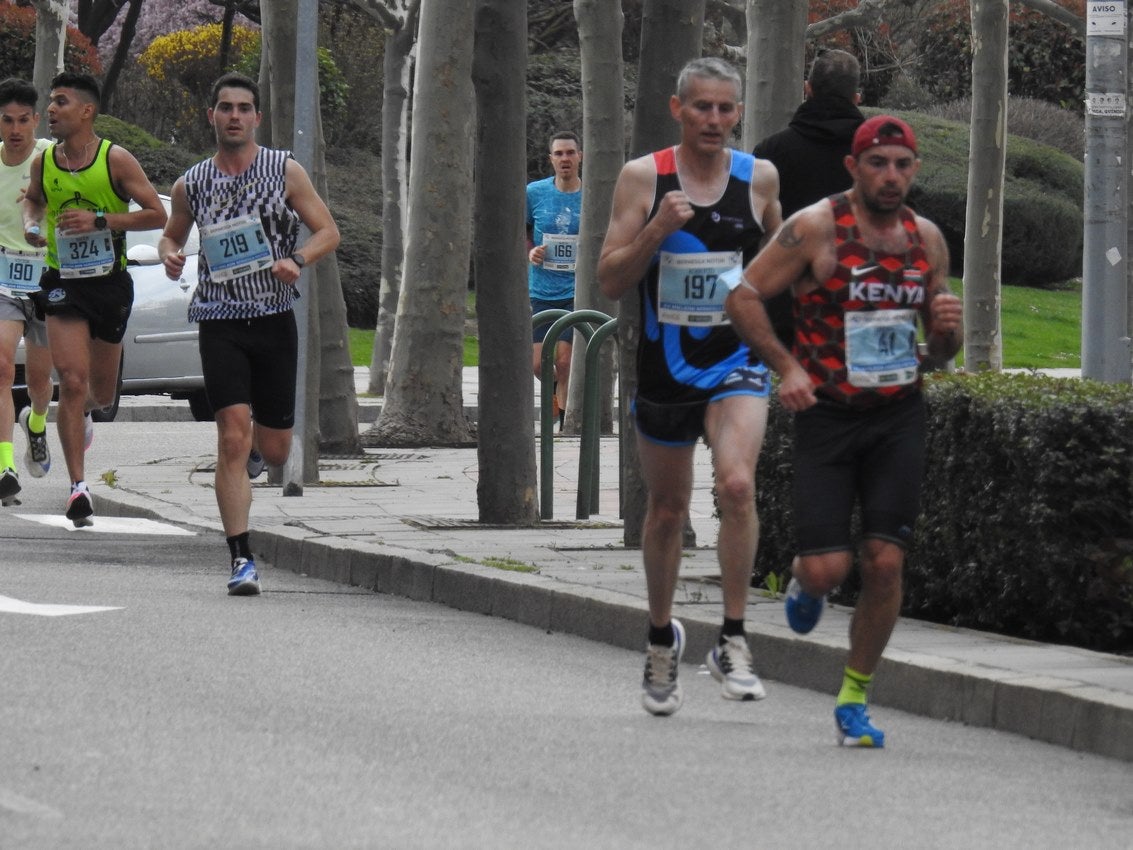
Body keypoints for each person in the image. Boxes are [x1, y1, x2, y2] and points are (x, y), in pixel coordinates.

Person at [724, 115, 963, 747]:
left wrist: (944, 329)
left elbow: (940, 353)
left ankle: (855, 695)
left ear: (914, 171)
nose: (891, 176)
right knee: (829, 570)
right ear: (853, 167)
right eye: (878, 163)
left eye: (902, 165)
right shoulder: (814, 227)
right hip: (826, 414)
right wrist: (788, 366)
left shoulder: (927, 240)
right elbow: (742, 297)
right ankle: (810, 583)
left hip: (896, 414)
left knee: (885, 561)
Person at [597, 57, 782, 716]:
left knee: (735, 484)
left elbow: (778, 267)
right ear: (677, 110)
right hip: (665, 369)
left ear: (738, 113)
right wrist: (656, 230)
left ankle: (732, 638)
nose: (713, 120)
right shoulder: (644, 177)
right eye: (701, 107)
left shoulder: (757, 179)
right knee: (667, 511)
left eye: (725, 109)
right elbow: (610, 280)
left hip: (735, 363)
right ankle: (659, 637)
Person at [159, 73, 340, 596]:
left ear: (256, 117)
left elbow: (328, 230)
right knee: (231, 438)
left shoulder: (283, 169)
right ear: (211, 116)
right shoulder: (191, 182)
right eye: (225, 108)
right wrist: (170, 253)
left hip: (273, 318)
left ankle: (264, 453)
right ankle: (241, 558)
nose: (234, 116)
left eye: (243, 108)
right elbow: (174, 232)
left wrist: (297, 259)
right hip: (219, 319)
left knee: (278, 450)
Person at [22, 72, 167, 526]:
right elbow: (34, 200)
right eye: (50, 101)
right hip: (63, 280)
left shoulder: (115, 159)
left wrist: (101, 221)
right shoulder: (44, 161)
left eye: (60, 102)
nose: (50, 109)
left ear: (86, 111)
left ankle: (79, 415)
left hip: (110, 284)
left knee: (100, 396)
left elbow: (156, 214)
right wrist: (32, 222)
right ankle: (77, 489)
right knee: (72, 377)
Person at [752, 48, 864, 350]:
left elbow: (752, 233)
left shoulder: (770, 153)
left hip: (785, 310)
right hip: (860, 306)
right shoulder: (876, 158)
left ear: (808, 89)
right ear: (856, 97)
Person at [0, 78, 54, 505]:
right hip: (3, 275)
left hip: (47, 278)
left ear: (36, 120)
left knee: (39, 380)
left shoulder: (50, 158)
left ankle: (35, 423)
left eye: (23, 120)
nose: (15, 129)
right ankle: (5, 466)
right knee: (1, 367)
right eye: (6, 120)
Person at [527, 131, 582, 430]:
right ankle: (555, 402)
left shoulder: (591, 195)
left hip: (577, 291)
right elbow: (522, 231)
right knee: (539, 364)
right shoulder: (534, 193)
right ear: (551, 159)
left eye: (570, 153)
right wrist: (531, 251)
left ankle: (559, 422)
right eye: (559, 154)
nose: (565, 159)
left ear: (580, 157)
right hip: (541, 290)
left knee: (564, 362)